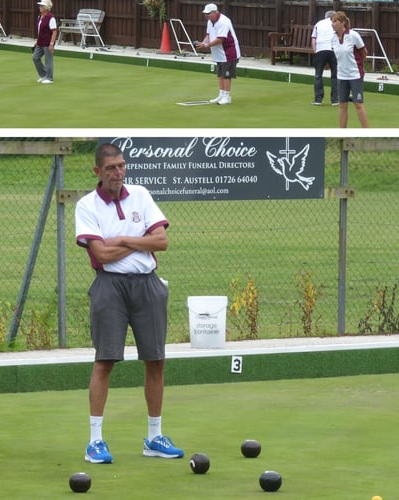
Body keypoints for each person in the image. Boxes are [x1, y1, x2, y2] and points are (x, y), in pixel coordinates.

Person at [74, 143, 184, 465]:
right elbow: (102, 255)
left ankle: (154, 437)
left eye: (121, 166)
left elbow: (161, 242)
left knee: (156, 361)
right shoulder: (86, 206)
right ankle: (95, 441)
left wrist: (121, 239)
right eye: (111, 168)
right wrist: (139, 241)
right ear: (97, 171)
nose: (118, 173)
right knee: (104, 362)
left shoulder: (141, 194)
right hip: (110, 288)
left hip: (148, 286)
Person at [196, 3, 241, 105]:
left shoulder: (223, 22)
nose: (206, 16)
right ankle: (221, 95)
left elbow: (220, 39)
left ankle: (227, 97)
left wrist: (207, 46)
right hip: (219, 53)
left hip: (229, 52)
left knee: (226, 75)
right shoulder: (210, 21)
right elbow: (208, 35)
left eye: (208, 13)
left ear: (215, 12)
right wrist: (204, 42)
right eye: (205, 14)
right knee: (220, 74)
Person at [331, 11, 370, 128]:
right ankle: (342, 133)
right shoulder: (332, 38)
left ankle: (368, 133)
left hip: (355, 75)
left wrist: (357, 65)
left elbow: (364, 52)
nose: (332, 24)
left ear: (342, 22)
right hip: (341, 76)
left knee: (358, 104)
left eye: (335, 21)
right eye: (332, 22)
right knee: (342, 105)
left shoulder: (353, 35)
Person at [311, 10, 338, 106]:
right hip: (333, 50)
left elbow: (313, 39)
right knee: (335, 75)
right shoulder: (335, 23)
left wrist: (315, 51)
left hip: (320, 50)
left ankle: (318, 100)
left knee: (318, 75)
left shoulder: (318, 24)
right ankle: (335, 100)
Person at [33, 0, 57, 84]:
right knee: (35, 57)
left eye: (42, 6)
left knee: (48, 61)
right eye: (40, 6)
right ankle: (43, 75)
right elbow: (40, 30)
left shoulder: (51, 18)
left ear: (46, 8)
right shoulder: (39, 17)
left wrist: (51, 44)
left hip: (48, 42)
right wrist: (37, 41)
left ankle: (49, 78)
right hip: (40, 42)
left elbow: (54, 31)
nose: (40, 7)